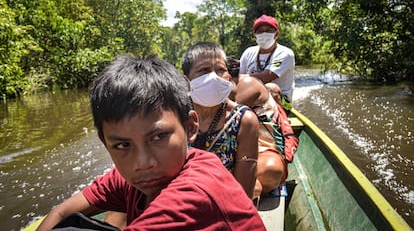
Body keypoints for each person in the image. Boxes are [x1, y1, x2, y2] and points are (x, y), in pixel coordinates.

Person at [36, 55, 266, 230]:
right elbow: (59, 212)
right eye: (123, 145)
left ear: (189, 127)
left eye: (158, 137)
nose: (143, 162)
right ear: (105, 143)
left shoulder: (193, 193)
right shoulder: (131, 177)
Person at [182, 42, 259, 199]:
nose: (214, 77)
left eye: (220, 70)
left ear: (229, 78)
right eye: (204, 70)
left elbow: (243, 193)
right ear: (186, 80)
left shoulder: (244, 120)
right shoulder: (176, 117)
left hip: (223, 205)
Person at [227, 57, 294, 200]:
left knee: (270, 170)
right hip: (235, 150)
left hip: (263, 150)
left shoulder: (247, 84)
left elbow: (224, 113)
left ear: (228, 76)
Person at [239, 14, 295, 111]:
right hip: (255, 97)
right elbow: (239, 77)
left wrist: (237, 77)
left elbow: (266, 76)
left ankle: (276, 120)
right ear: (255, 35)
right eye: (260, 31)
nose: (264, 34)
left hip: (284, 102)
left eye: (269, 31)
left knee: (271, 88)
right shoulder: (248, 52)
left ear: (276, 34)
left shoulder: (285, 53)